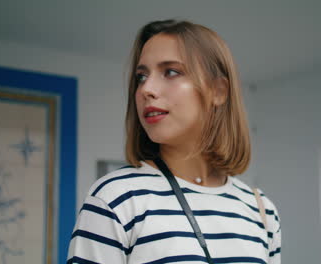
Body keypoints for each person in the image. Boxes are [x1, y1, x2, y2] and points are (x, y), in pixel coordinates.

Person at [67, 19, 281, 264]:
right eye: (141, 77)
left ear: (218, 91)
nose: (147, 88)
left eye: (170, 72)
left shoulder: (261, 210)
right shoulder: (116, 197)